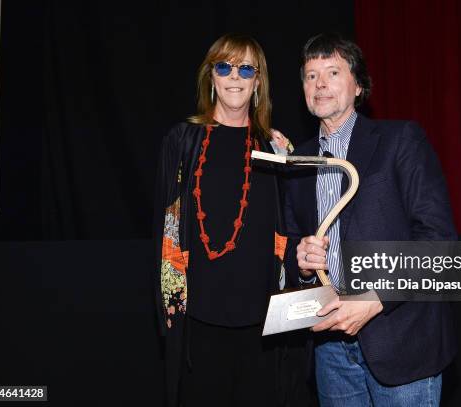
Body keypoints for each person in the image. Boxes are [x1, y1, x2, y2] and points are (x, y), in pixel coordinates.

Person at [283, 33, 457, 406]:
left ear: (358, 85)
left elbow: (438, 241)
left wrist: (374, 299)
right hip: (330, 350)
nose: (320, 84)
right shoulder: (298, 161)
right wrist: (302, 264)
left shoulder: (400, 140)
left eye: (332, 72)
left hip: (402, 341)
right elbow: (292, 245)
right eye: (311, 76)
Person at [153, 33, 293, 407]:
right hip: (198, 323)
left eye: (246, 68)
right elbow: (166, 228)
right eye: (224, 66)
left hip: (263, 326)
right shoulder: (182, 141)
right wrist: (171, 308)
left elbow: (288, 230)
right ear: (210, 76)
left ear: (258, 80)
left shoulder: (275, 147)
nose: (235, 76)